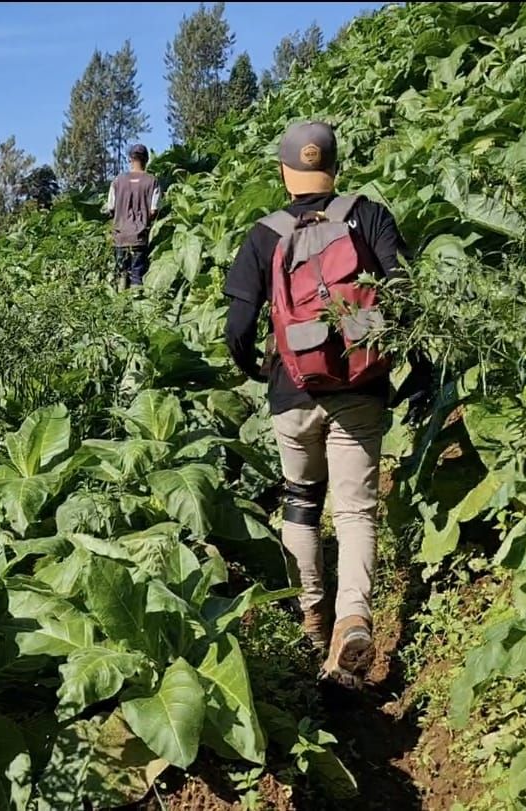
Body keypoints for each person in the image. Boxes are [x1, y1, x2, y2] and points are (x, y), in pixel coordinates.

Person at [222, 120, 431, 688]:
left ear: (285, 172)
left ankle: (311, 620)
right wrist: (419, 368)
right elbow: (405, 295)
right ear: (334, 167)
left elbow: (238, 328)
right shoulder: (369, 215)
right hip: (360, 385)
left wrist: (258, 369)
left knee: (303, 499)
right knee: (357, 510)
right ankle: (353, 621)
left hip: (293, 390)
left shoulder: (264, 233)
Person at [103, 144, 161, 289]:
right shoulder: (152, 181)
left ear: (130, 159)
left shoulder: (117, 181)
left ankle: (120, 307)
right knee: (137, 276)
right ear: (146, 160)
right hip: (139, 238)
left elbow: (111, 207)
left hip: (120, 237)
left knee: (121, 275)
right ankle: (136, 308)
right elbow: (154, 210)